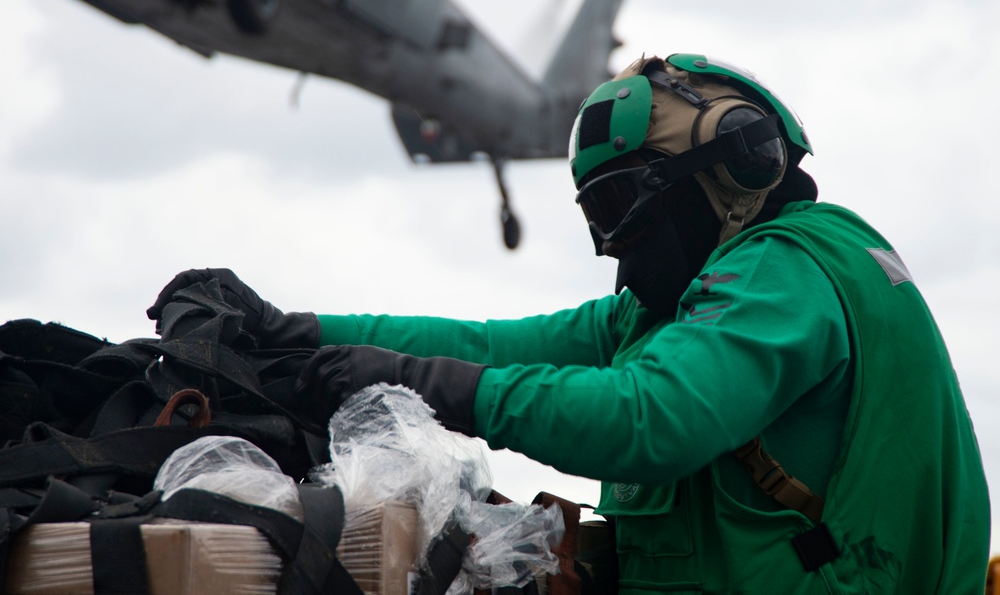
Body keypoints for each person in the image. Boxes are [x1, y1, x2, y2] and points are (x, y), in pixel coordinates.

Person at [148, 54, 990, 592]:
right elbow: (491, 346)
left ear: (732, 166)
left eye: (623, 206)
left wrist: (413, 384)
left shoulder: (786, 271)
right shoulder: (690, 302)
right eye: (597, 217)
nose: (614, 249)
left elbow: (650, 421)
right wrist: (290, 329)